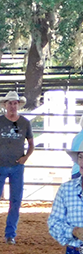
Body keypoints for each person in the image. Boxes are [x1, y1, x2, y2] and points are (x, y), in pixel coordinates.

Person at [0, 91, 34, 244]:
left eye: (15, 103)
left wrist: (25, 157)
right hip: (3, 165)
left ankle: (10, 234)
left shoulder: (25, 123)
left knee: (16, 200)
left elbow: (31, 143)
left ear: (18, 105)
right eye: (10, 103)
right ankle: (10, 234)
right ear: (5, 105)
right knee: (15, 200)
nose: (13, 106)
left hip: (16, 166)